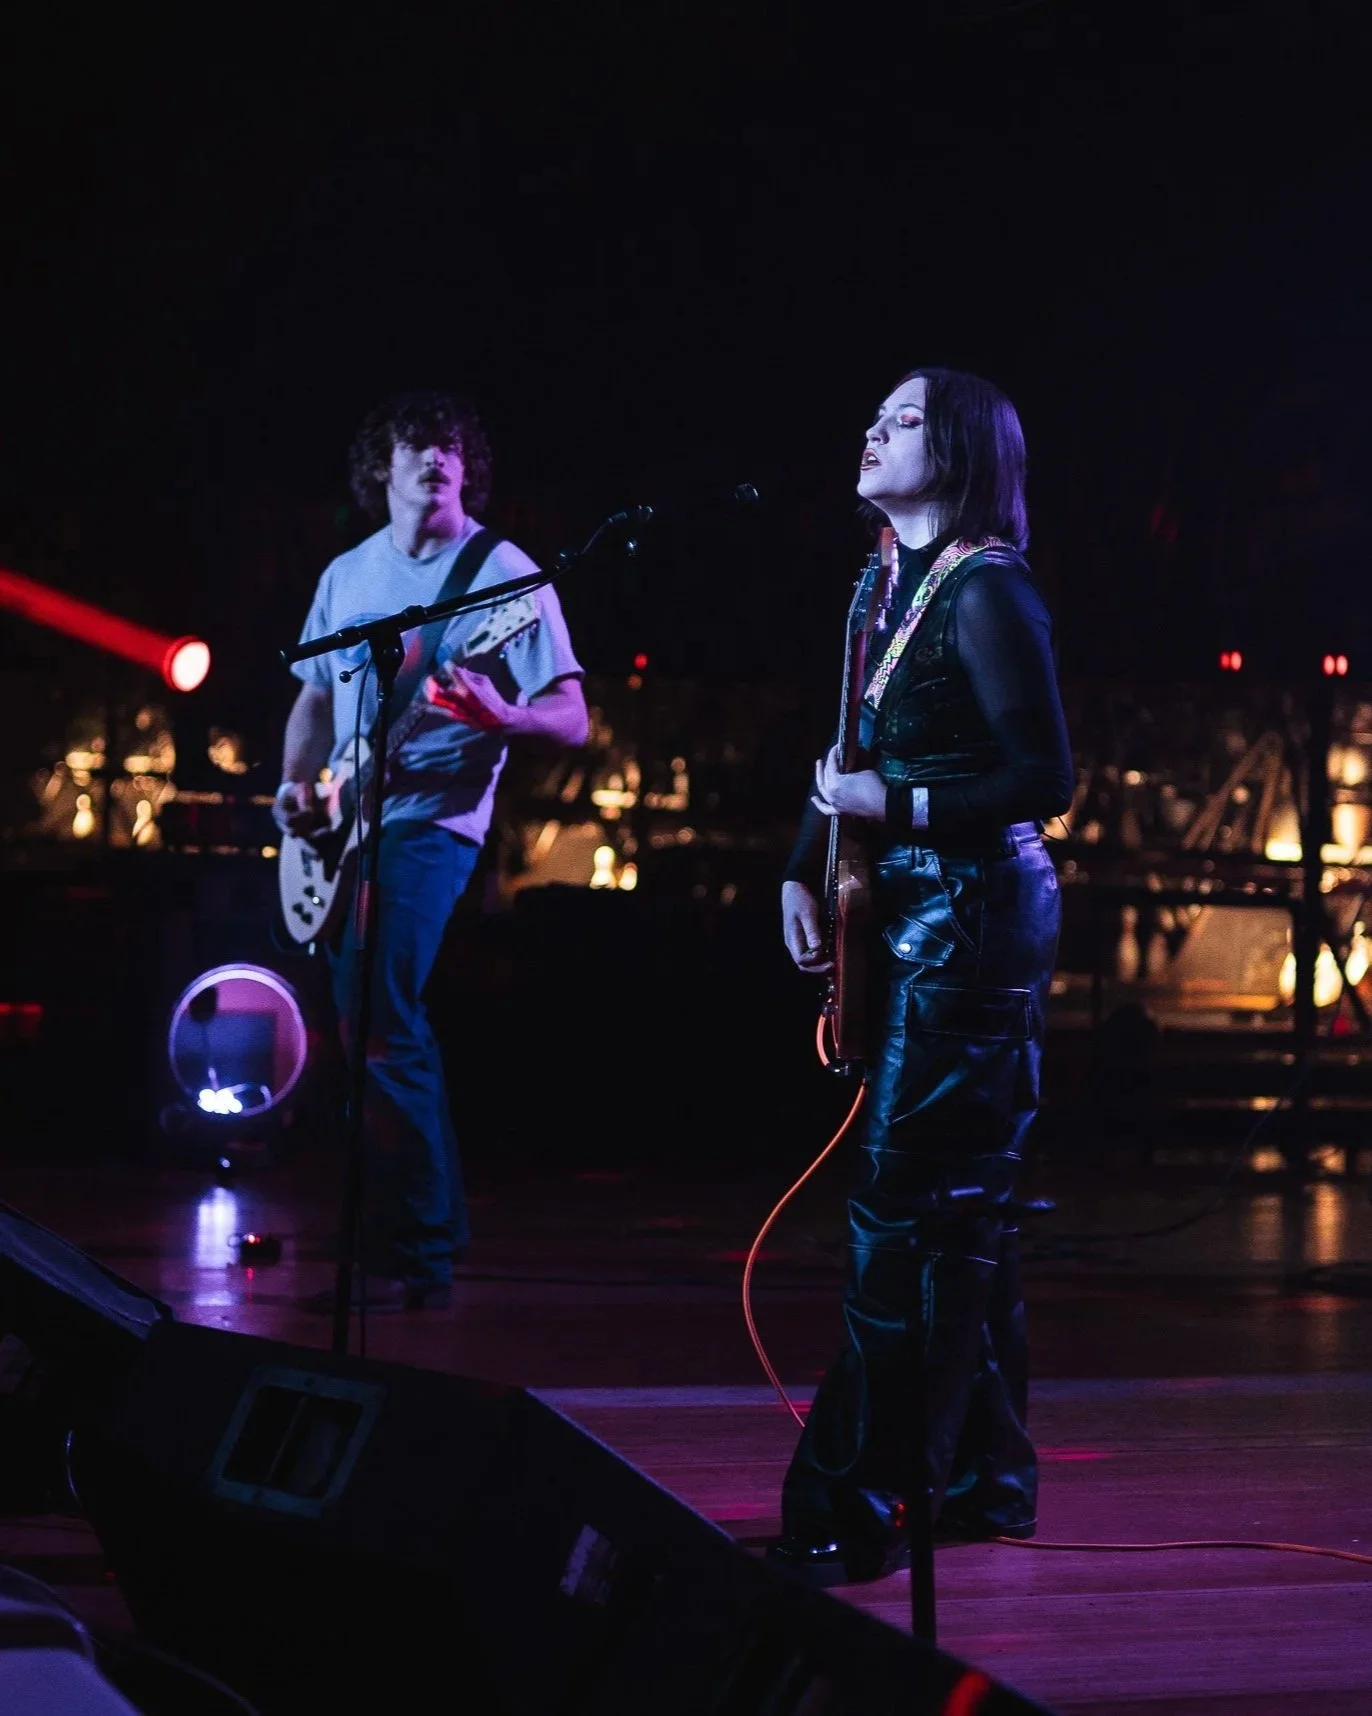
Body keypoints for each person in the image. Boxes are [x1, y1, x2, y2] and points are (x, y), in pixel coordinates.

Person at [770, 366, 1073, 1582]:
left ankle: (852, 1507)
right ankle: (988, 1481)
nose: (872, 431)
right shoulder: (878, 583)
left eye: (902, 421)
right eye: (876, 416)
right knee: (958, 1214)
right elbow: (851, 744)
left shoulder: (986, 588)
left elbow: (1043, 778)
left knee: (903, 1214)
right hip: (905, 904)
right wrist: (804, 864)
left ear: (957, 451)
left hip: (974, 915)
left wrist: (898, 807)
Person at [275, 390, 588, 1311]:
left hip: (436, 821)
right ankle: (421, 1230)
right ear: (383, 466)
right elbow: (314, 696)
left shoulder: (505, 573)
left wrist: (505, 715)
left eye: (451, 447)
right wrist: (294, 788)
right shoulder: (348, 575)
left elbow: (573, 716)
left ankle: (413, 1249)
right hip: (344, 822)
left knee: (379, 1012)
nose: (436, 459)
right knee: (366, 1021)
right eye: (417, 445)